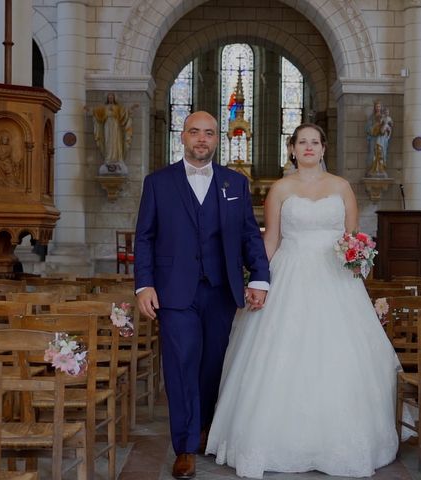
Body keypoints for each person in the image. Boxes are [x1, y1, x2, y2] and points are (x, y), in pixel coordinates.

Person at [206, 123, 402, 478]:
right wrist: (257, 281)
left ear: (323, 149)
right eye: (302, 142)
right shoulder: (281, 188)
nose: (309, 147)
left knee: (339, 356)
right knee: (280, 353)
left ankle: (342, 441)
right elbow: (270, 241)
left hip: (336, 279)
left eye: (315, 142)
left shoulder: (342, 187)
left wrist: (358, 260)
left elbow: (352, 237)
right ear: (292, 149)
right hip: (290, 274)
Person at [133, 111, 270, 479]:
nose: (202, 139)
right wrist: (143, 285)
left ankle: (204, 426)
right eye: (195, 132)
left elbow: (248, 236)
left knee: (212, 366)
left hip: (221, 289)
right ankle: (185, 446)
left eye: (209, 133)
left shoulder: (235, 184)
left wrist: (260, 277)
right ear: (183, 136)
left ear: (217, 139)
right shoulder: (158, 183)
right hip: (174, 292)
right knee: (181, 365)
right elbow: (144, 237)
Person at [90, 92, 136, 174]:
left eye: (112, 97)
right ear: (107, 98)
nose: (110, 98)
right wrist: (90, 110)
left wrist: (131, 108)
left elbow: (125, 112)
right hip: (107, 125)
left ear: (114, 98)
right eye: (109, 97)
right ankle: (108, 159)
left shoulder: (117, 107)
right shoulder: (104, 108)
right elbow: (96, 112)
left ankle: (117, 158)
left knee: (115, 142)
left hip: (116, 126)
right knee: (108, 142)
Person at [365, 100, 392, 176]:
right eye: (377, 106)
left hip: (382, 139)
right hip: (374, 138)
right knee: (374, 152)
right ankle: (373, 169)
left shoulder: (384, 117)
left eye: (379, 106)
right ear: (374, 107)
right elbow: (367, 128)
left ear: (381, 107)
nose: (378, 108)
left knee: (381, 152)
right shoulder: (372, 117)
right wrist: (375, 128)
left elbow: (389, 127)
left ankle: (381, 169)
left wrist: (385, 129)